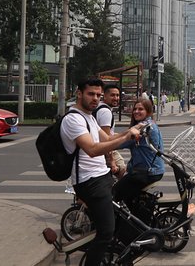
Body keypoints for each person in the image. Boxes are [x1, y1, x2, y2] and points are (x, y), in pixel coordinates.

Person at [60, 79, 143, 266]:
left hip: (102, 176)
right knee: (106, 231)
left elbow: (108, 138)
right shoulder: (73, 119)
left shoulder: (89, 117)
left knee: (116, 222)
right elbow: (93, 149)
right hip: (89, 182)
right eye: (91, 94)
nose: (95, 99)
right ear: (79, 93)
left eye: (98, 95)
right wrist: (126, 138)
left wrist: (130, 131)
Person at [113, 98, 166, 209]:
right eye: (135, 109)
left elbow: (120, 143)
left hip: (147, 173)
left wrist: (100, 142)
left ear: (148, 111)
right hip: (153, 170)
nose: (136, 111)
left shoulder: (143, 129)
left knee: (112, 194)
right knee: (128, 196)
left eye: (140, 109)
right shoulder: (149, 123)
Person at [94, 84, 126, 179]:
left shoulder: (99, 107)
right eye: (112, 95)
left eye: (117, 95)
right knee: (122, 171)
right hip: (104, 150)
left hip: (97, 148)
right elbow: (106, 139)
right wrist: (111, 161)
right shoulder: (106, 112)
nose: (116, 98)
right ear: (105, 96)